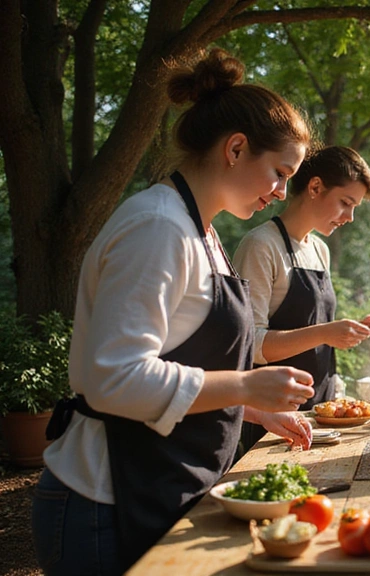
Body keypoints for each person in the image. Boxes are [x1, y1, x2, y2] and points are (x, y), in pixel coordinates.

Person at [32, 49, 316, 575]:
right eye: (280, 173)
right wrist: (245, 389)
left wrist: (252, 411)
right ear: (236, 148)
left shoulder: (201, 230)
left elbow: (178, 357)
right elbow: (113, 378)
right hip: (103, 502)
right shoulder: (158, 228)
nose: (280, 193)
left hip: (155, 487)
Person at [233, 146, 370, 453]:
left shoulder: (319, 250)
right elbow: (252, 345)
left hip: (322, 412)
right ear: (315, 187)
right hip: (273, 418)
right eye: (346, 203)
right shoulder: (261, 246)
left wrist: (351, 331)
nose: (350, 217)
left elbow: (316, 329)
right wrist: (326, 333)